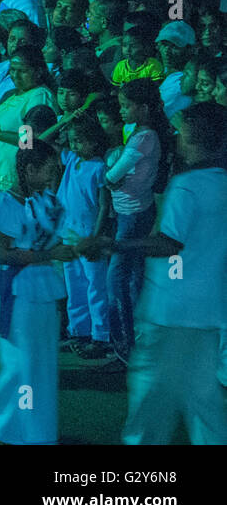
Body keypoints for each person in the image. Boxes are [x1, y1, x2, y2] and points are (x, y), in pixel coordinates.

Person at [79, 101, 227, 444]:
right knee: (202, 397)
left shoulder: (187, 185)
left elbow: (168, 243)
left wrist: (113, 245)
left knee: (150, 394)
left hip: (171, 310)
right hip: (209, 312)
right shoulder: (221, 181)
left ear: (196, 137)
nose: (175, 138)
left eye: (180, 132)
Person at [0, 142, 75, 445]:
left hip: (45, 290)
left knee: (43, 365)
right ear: (30, 169)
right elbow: (6, 254)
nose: (53, 173)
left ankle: (36, 434)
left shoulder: (49, 203)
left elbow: (60, 243)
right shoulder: (3, 203)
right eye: (48, 168)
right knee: (20, 363)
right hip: (17, 291)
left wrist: (76, 248)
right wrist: (53, 254)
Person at [0, 49, 58, 308]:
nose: (16, 75)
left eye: (22, 70)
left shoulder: (39, 96)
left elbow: (34, 139)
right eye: (13, 70)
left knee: (7, 240)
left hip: (11, 181)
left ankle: (10, 299)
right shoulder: (11, 96)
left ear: (38, 71)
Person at [102, 78, 167, 368]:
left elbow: (112, 175)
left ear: (144, 107)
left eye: (127, 105)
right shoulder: (140, 133)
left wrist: (111, 176)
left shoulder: (143, 137)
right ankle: (139, 345)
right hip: (135, 211)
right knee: (133, 279)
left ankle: (125, 347)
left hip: (132, 215)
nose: (122, 110)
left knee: (117, 280)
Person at [57, 114, 111, 359]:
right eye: (72, 141)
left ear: (94, 141)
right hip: (69, 235)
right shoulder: (71, 161)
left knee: (94, 286)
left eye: (80, 141)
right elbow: (44, 141)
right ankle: (79, 331)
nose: (74, 146)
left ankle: (100, 336)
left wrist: (96, 236)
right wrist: (65, 122)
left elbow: (102, 206)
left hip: (88, 236)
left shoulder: (99, 168)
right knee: (74, 284)